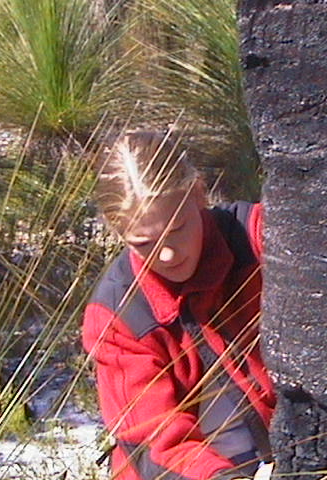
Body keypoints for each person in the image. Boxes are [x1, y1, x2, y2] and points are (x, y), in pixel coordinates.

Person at [82, 129, 275, 480]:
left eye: (177, 228)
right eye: (144, 242)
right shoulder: (116, 316)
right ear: (116, 231)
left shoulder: (256, 237)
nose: (168, 254)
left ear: (198, 193)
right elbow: (156, 442)